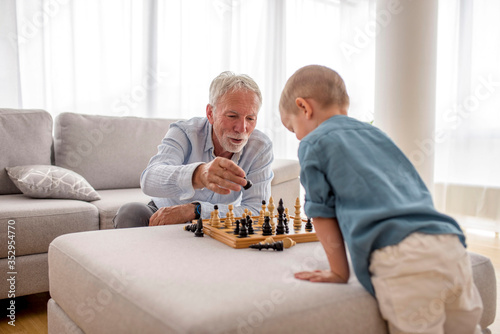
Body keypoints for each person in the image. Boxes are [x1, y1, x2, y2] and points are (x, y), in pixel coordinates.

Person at [278, 65, 483, 333]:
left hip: (403, 258)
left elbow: (321, 213)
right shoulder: (377, 134)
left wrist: (339, 273)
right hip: (449, 244)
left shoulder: (313, 144)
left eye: (293, 128)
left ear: (304, 107)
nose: (298, 137)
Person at [113, 71, 274, 228]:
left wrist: (195, 210)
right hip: (164, 215)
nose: (242, 128)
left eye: (250, 118)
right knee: (130, 212)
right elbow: (149, 179)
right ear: (210, 113)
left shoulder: (260, 147)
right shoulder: (185, 132)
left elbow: (257, 210)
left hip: (217, 222)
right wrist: (199, 174)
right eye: (232, 116)